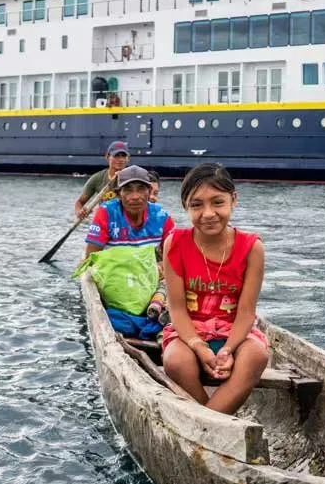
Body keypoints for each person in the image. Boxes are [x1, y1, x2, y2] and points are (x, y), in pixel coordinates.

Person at [161, 163, 268, 415]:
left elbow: (246, 312)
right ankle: (214, 418)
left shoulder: (251, 247)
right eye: (196, 205)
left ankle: (203, 423)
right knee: (176, 361)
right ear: (186, 207)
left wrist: (228, 349)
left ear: (233, 200)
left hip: (235, 332)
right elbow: (176, 308)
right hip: (190, 331)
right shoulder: (175, 243)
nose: (208, 213)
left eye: (217, 202)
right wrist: (198, 346)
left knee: (257, 356)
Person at [85, 165, 175, 320]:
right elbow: (92, 257)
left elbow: (175, 255)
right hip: (116, 277)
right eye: (128, 190)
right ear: (119, 194)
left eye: (141, 189)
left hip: (148, 277)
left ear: (149, 191)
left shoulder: (161, 216)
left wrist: (162, 265)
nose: (135, 196)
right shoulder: (107, 212)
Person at [74, 141, 129, 219]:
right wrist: (79, 212)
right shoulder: (97, 178)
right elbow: (80, 202)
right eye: (116, 156)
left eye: (123, 156)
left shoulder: (133, 179)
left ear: (128, 158)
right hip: (105, 221)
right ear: (107, 157)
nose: (120, 160)